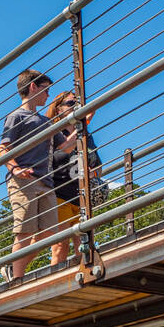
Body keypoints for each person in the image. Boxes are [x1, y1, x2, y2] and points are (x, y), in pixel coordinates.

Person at [0, 69, 79, 281]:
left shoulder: (45, 122)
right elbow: (3, 149)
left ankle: (12, 268)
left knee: (51, 233)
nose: (48, 96)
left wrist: (82, 122)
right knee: (24, 231)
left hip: (46, 182)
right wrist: (15, 169)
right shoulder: (16, 117)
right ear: (32, 87)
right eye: (45, 90)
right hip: (24, 181)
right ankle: (17, 280)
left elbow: (67, 147)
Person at [46, 91, 103, 266]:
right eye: (71, 104)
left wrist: (92, 172)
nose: (76, 107)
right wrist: (83, 123)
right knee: (60, 247)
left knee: (83, 246)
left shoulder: (87, 135)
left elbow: (98, 163)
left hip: (81, 197)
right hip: (59, 194)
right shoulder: (54, 132)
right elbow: (57, 157)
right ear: (58, 110)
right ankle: (54, 286)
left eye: (77, 104)